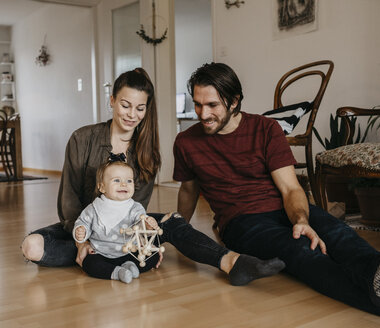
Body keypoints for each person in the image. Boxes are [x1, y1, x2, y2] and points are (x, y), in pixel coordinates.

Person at [21, 67, 285, 286]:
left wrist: (145, 240)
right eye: (125, 105)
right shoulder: (82, 138)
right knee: (32, 246)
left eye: (140, 108)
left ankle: (232, 262)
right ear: (112, 100)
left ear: (147, 110)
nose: (131, 115)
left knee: (172, 222)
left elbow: (138, 210)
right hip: (84, 228)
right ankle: (102, 257)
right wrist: (84, 241)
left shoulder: (148, 154)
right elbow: (68, 203)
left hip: (126, 232)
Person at [173, 62, 380, 314]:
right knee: (300, 250)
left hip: (282, 207)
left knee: (339, 234)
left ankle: (376, 277)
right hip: (241, 222)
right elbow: (188, 190)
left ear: (234, 101)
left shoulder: (265, 129)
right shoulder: (186, 142)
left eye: (212, 105)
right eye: (197, 104)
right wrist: (177, 229)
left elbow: (291, 189)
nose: (202, 114)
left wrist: (301, 220)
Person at [73, 160, 161, 284]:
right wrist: (81, 230)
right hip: (102, 253)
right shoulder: (94, 208)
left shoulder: (135, 208)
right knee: (89, 263)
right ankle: (117, 272)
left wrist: (148, 224)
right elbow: (83, 222)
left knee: (154, 255)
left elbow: (141, 225)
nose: (124, 184)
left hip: (131, 253)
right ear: (101, 187)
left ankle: (130, 266)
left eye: (129, 181)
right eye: (117, 180)